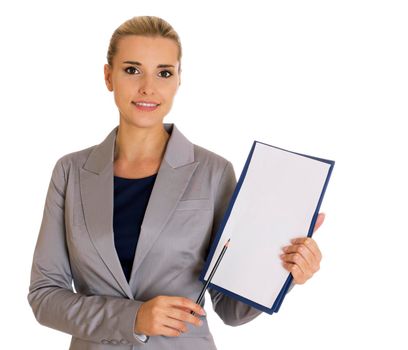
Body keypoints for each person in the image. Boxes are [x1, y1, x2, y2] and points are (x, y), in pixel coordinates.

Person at [27, 15, 325, 350]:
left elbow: (232, 309)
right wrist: (132, 318)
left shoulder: (213, 172)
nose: (148, 87)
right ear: (108, 76)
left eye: (164, 72)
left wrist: (283, 271)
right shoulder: (70, 172)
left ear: (179, 79)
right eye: (132, 69)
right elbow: (44, 295)